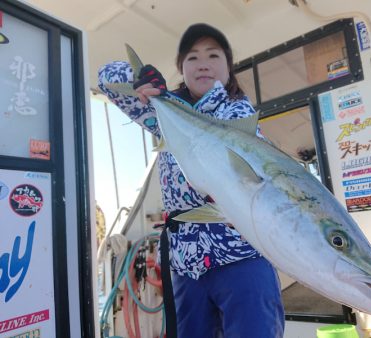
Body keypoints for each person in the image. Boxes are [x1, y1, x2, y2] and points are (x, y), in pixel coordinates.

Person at [98, 23, 285, 338]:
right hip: (186, 264)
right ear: (181, 69)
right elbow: (106, 78)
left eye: (214, 55)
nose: (203, 63)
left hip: (242, 258)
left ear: (229, 68)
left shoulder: (241, 117)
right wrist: (142, 79)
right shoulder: (164, 114)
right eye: (192, 57)